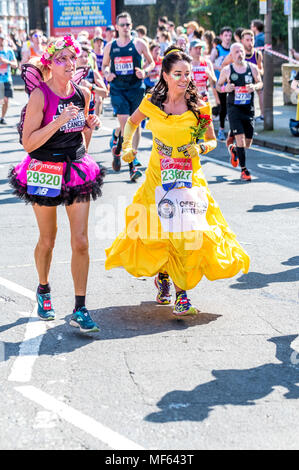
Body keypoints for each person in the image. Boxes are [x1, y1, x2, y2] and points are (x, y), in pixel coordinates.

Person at [105, 46, 250, 315]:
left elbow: (210, 139)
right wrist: (127, 146)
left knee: (186, 232)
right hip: (158, 177)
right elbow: (132, 123)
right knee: (158, 231)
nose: (185, 79)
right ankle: (163, 276)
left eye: (188, 73)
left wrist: (200, 149)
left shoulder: (200, 105)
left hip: (188, 177)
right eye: (178, 74)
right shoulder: (151, 102)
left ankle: (182, 293)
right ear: (165, 75)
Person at [8, 35, 105, 332]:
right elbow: (28, 142)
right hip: (44, 167)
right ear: (49, 64)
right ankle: (44, 289)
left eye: (70, 58)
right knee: (48, 239)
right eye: (60, 59)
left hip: (75, 165)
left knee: (81, 241)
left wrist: (89, 126)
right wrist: (58, 121)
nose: (66, 63)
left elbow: (83, 138)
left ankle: (80, 307)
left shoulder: (83, 93)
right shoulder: (40, 96)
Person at [102, 11, 154, 181]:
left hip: (136, 88)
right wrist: (108, 74)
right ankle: (132, 166)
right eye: (122, 25)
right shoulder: (110, 46)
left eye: (128, 24)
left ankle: (119, 149)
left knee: (136, 125)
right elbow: (104, 66)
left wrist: (144, 71)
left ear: (131, 26)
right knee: (127, 126)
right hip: (118, 89)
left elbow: (151, 61)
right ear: (117, 27)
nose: (125, 27)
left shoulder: (139, 44)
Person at [216, 43, 263, 181]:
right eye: (236, 52)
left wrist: (254, 86)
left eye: (241, 51)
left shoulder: (252, 68)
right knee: (241, 139)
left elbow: (260, 83)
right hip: (234, 108)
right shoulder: (227, 70)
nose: (239, 54)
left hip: (248, 109)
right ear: (231, 55)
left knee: (247, 142)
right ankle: (244, 171)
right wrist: (226, 88)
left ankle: (235, 149)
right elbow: (218, 86)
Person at [77, 45, 108, 136]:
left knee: (85, 147)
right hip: (75, 112)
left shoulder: (92, 72)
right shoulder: (70, 73)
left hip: (88, 112)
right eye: (81, 56)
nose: (84, 59)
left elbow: (105, 93)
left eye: (86, 56)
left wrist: (91, 86)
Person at [210, 26, 232, 140]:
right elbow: (210, 62)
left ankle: (235, 131)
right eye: (225, 35)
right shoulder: (217, 49)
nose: (228, 38)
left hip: (232, 82)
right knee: (223, 107)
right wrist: (219, 68)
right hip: (220, 82)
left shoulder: (233, 49)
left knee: (233, 106)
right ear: (221, 37)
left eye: (229, 36)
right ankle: (221, 130)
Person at [0, 33, 18, 125]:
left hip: (7, 79)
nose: (1, 41)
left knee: (6, 100)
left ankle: (2, 118)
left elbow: (15, 65)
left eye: (2, 39)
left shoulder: (9, 51)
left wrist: (5, 62)